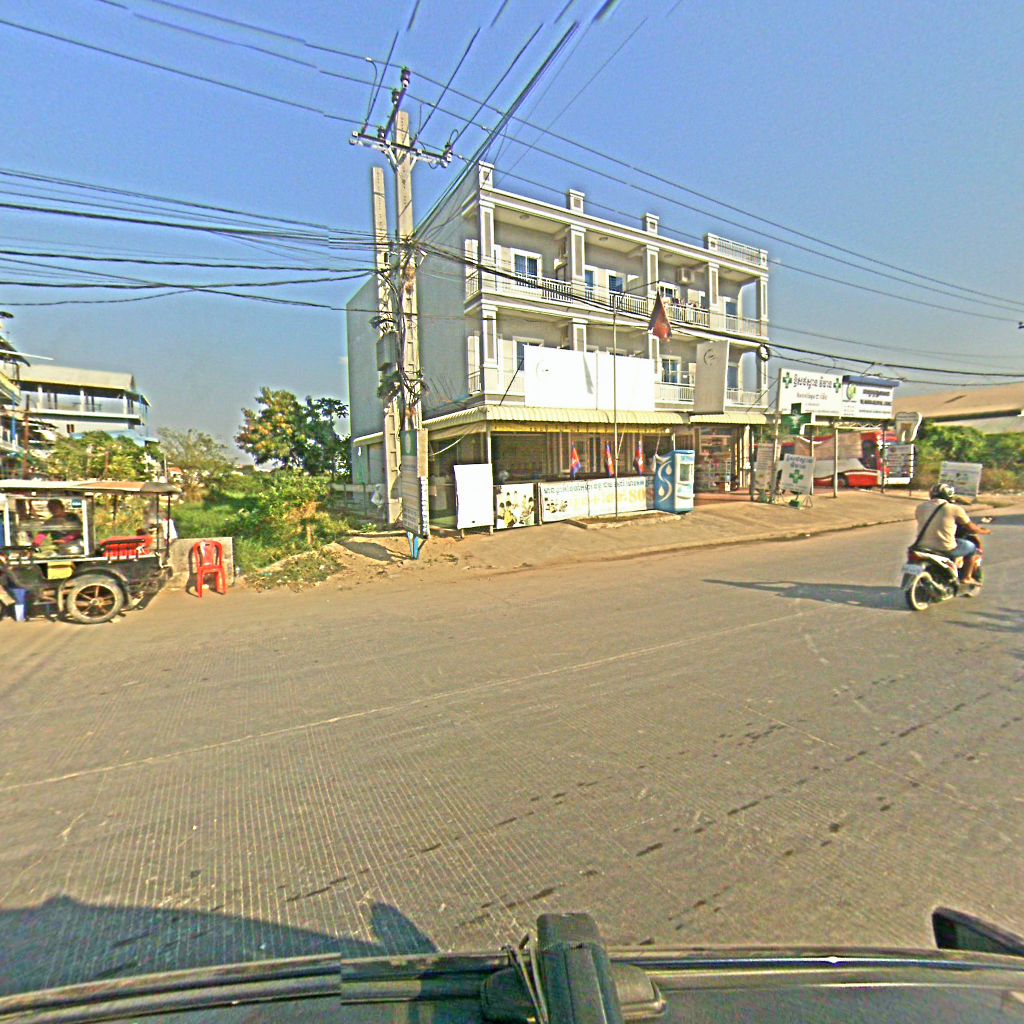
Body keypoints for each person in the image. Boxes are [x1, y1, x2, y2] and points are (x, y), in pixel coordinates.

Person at [914, 483, 990, 587]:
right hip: (944, 547)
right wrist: (984, 531)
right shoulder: (954, 509)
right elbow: (971, 528)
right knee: (972, 548)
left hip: (921, 545)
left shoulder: (920, 507)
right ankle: (967, 577)